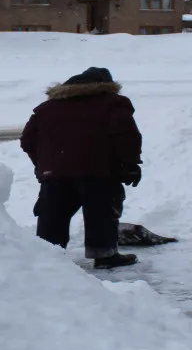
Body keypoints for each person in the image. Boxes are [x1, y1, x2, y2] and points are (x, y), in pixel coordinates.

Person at [20, 67, 142, 269]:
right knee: (101, 210)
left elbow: (28, 140)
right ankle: (104, 254)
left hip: (55, 173)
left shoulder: (47, 108)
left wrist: (44, 165)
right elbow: (126, 135)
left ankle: (48, 255)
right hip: (99, 170)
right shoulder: (113, 103)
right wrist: (129, 164)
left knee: (53, 213)